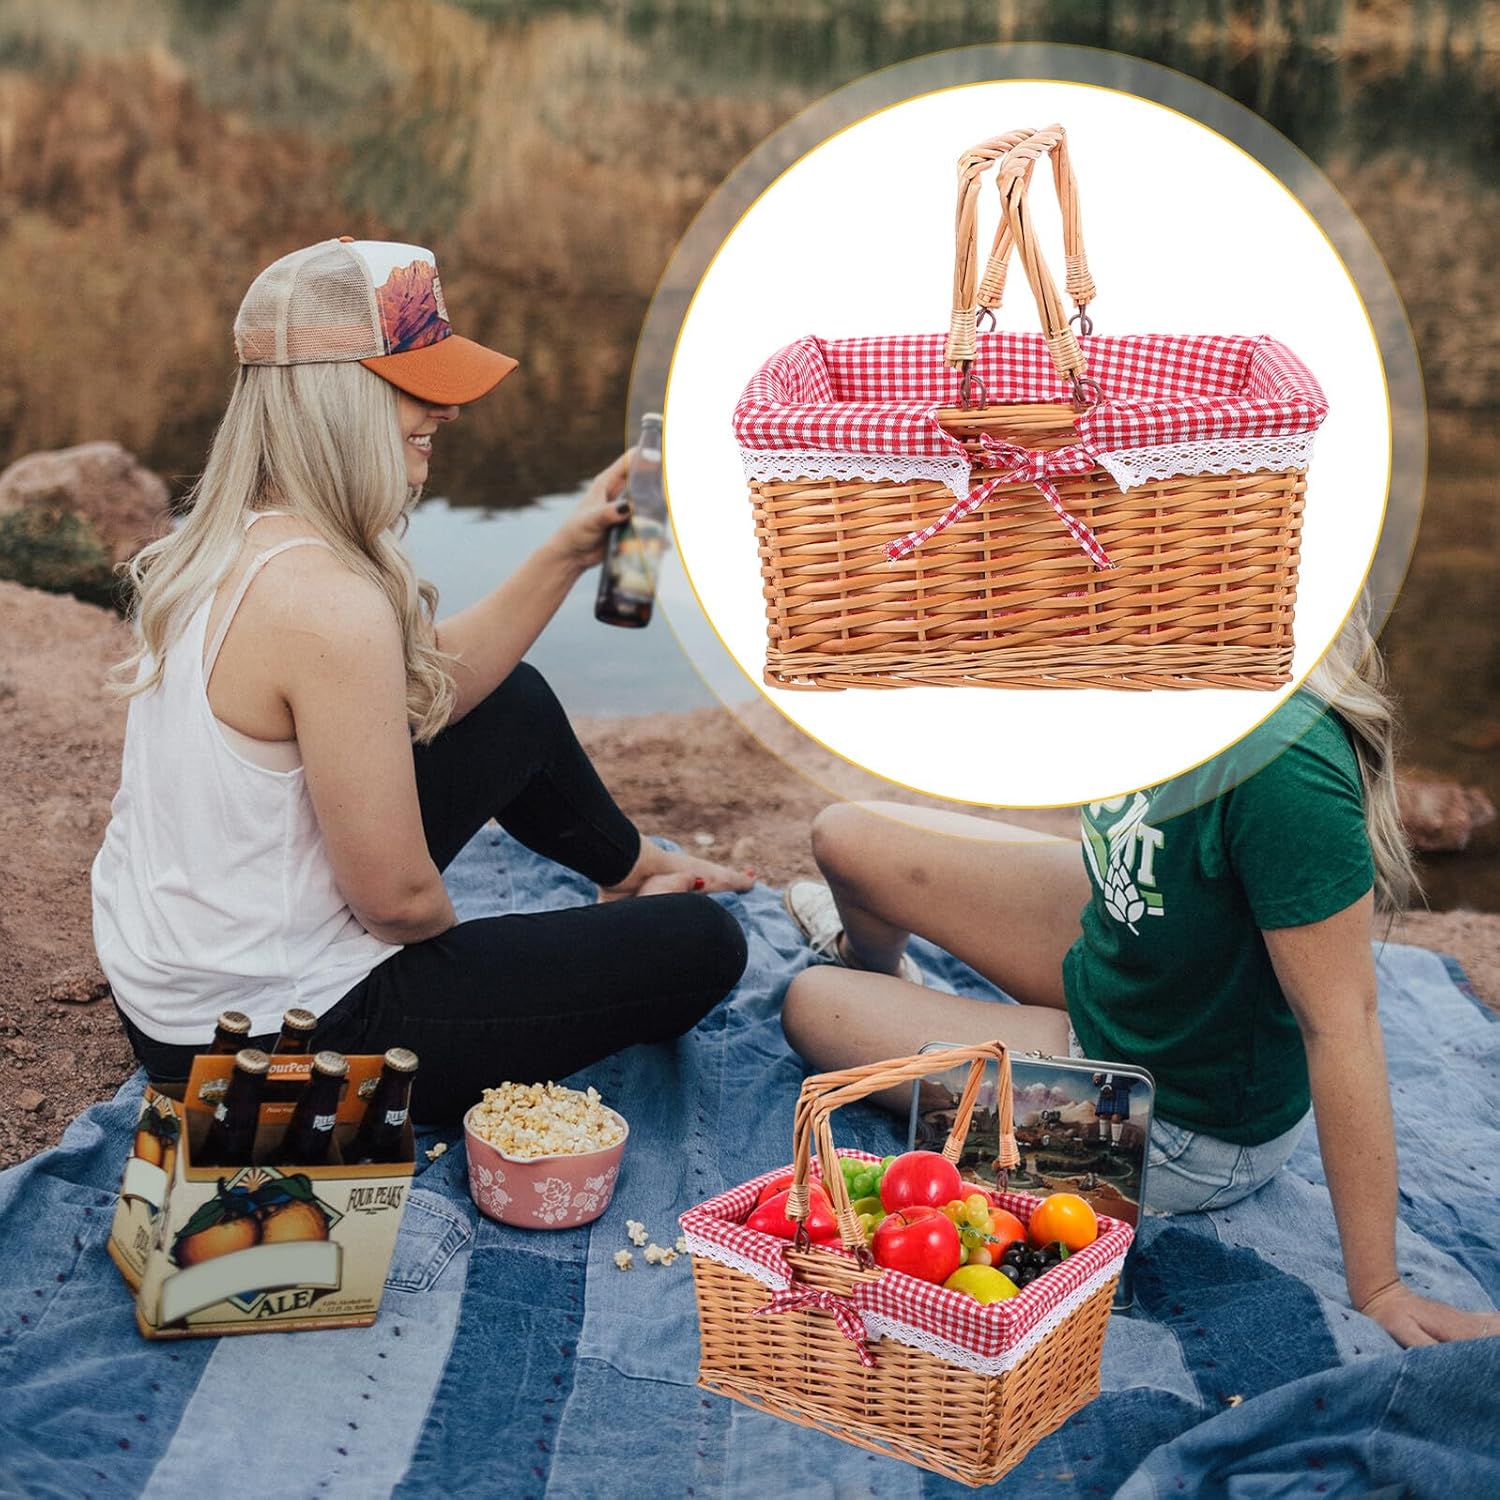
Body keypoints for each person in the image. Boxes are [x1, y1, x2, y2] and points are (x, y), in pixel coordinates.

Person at [91, 237, 749, 1120]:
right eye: (418, 386)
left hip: (186, 983)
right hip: (266, 1042)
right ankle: (632, 905)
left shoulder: (235, 542)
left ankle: (626, 869)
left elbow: (420, 686)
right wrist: (492, 969)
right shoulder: (326, 602)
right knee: (705, 943)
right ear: (338, 398)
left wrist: (566, 548)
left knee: (509, 700)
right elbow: (399, 904)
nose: (447, 411)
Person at [780, 603, 1500, 1348]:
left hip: (1182, 1119)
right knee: (844, 835)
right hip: (1130, 951)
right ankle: (877, 973)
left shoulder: (1281, 758)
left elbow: (1344, 1022)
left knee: (811, 1004)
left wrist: (1379, 1285)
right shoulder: (1131, 648)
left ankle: (884, 1005)